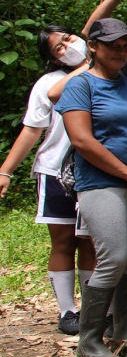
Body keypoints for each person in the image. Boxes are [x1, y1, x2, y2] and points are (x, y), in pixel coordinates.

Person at [56, 19, 127, 357]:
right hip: (101, 184)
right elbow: (82, 140)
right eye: (113, 45)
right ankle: (88, 341)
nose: (121, 51)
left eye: (125, 45)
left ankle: (124, 333)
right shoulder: (81, 86)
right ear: (94, 46)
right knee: (114, 257)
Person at [0, 27, 96, 334]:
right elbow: (32, 129)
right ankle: (68, 310)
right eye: (58, 48)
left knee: (91, 241)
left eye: (68, 39)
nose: (68, 47)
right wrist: (5, 171)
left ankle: (94, 310)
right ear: (52, 59)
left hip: (93, 171)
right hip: (55, 170)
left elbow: (95, 23)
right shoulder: (50, 83)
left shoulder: (103, 73)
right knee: (64, 240)